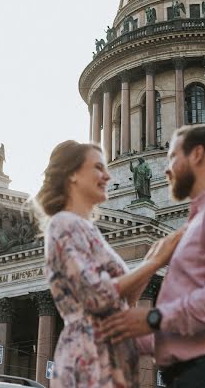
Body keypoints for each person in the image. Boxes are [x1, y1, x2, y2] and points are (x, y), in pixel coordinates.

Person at [102, 124, 205, 388]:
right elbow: (182, 328)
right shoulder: (199, 222)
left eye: (172, 157)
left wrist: (153, 318)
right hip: (197, 375)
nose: (166, 169)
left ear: (197, 155)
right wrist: (129, 322)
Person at [35, 140, 182, 388]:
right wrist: (154, 262)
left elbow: (126, 301)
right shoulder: (63, 224)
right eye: (98, 168)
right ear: (73, 176)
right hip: (85, 358)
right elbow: (95, 296)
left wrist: (152, 261)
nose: (107, 175)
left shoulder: (88, 229)